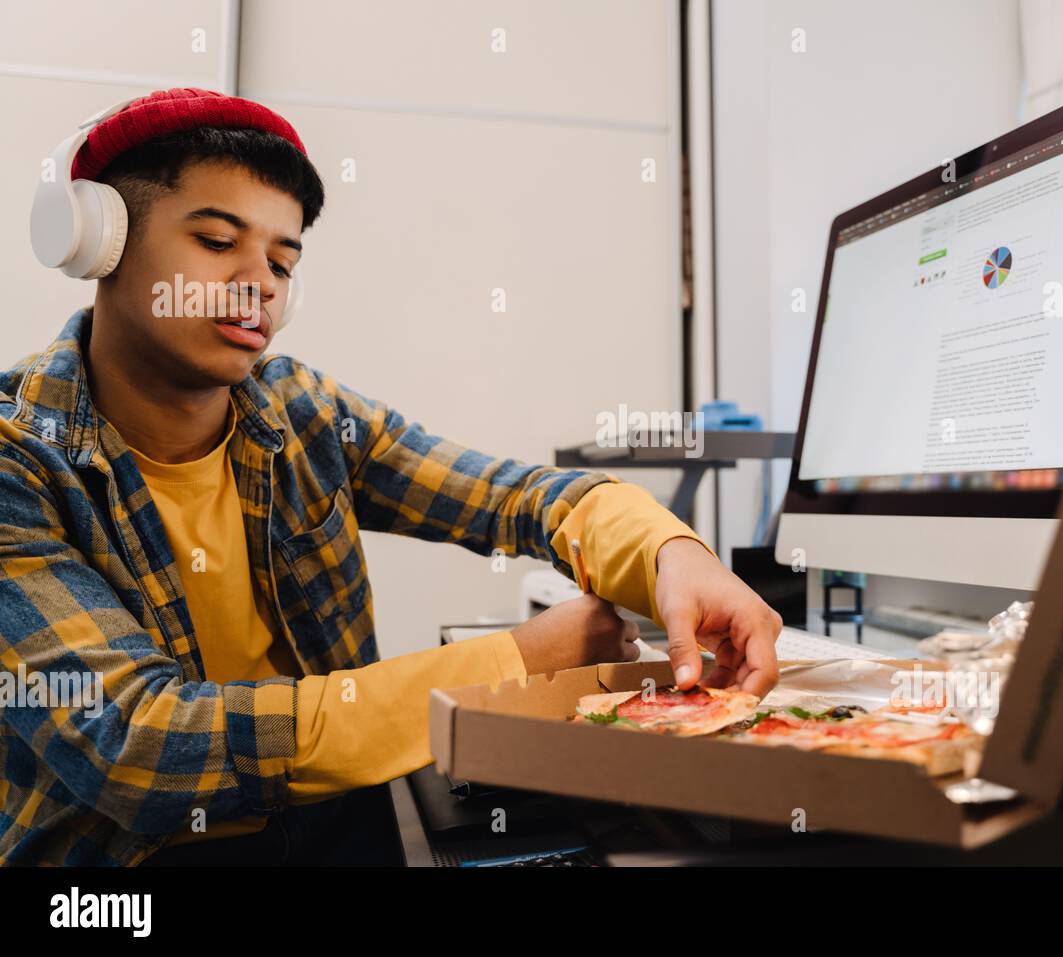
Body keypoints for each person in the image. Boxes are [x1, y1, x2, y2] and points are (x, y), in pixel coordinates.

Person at [0, 88, 781, 866]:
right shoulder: (18, 457)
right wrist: (515, 663)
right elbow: (142, 745)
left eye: (281, 260)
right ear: (99, 241)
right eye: (215, 241)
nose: (261, 284)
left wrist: (672, 556)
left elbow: (516, 498)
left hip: (338, 825)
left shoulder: (300, 410)